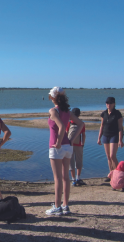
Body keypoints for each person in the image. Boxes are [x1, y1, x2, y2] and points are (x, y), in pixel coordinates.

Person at [45, 87, 84, 216]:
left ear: (53, 98)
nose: (50, 98)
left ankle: (57, 207)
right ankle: (65, 205)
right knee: (65, 177)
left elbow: (61, 126)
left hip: (57, 147)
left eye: (51, 96)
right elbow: (81, 124)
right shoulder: (67, 111)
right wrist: (71, 139)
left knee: (57, 178)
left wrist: (58, 142)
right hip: (68, 147)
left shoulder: (53, 111)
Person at [97, 97, 124, 181]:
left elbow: (120, 128)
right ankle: (112, 174)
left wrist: (120, 140)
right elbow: (102, 126)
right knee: (108, 157)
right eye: (107, 103)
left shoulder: (117, 114)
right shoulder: (104, 113)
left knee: (113, 156)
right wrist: (99, 138)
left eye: (110, 103)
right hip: (105, 135)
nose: (108, 105)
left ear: (114, 104)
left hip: (114, 135)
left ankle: (119, 174)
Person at [66, 108, 86, 186]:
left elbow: (66, 133)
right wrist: (82, 143)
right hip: (79, 144)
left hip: (70, 145)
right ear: (79, 115)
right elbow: (83, 135)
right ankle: (78, 178)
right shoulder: (81, 123)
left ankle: (73, 179)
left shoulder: (69, 123)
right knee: (79, 161)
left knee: (71, 162)